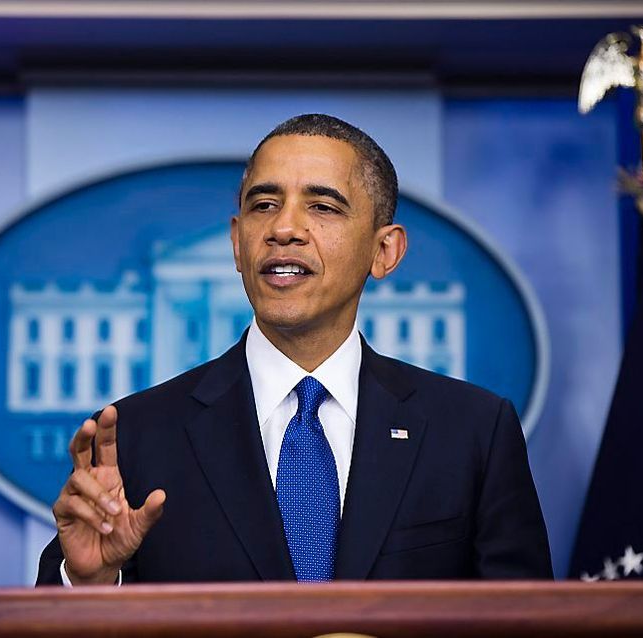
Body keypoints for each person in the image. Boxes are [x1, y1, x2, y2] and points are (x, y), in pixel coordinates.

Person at [36, 114, 552, 586]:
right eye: (264, 206)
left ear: (384, 250)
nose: (284, 229)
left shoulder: (473, 432)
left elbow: (529, 625)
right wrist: (90, 585)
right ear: (238, 244)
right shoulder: (136, 436)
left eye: (323, 207)